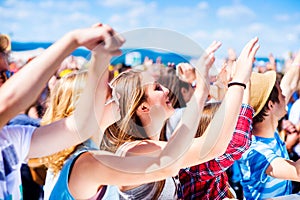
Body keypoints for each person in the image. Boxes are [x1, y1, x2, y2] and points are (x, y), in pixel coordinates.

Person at [0, 23, 125, 199]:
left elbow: (83, 125)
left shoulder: (9, 141)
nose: (7, 82)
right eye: (1, 75)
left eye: (8, 75)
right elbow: (9, 99)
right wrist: (73, 40)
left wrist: (101, 57)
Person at [237, 55, 300, 199]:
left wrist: (297, 61)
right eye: (281, 93)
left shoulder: (269, 132)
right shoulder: (255, 151)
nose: (286, 96)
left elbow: (289, 84)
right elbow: (297, 172)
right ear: (271, 105)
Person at [177, 85, 253, 199]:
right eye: (227, 128)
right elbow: (238, 143)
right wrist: (241, 84)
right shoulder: (196, 167)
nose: (231, 130)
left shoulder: (205, 163)